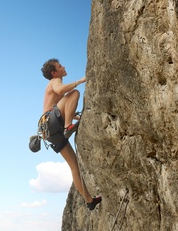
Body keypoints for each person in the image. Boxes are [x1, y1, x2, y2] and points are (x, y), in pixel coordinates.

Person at [40, 58, 101, 210]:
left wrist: (77, 117)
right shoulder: (55, 81)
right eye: (60, 66)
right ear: (54, 73)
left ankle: (89, 201)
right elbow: (62, 91)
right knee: (74, 93)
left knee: (74, 166)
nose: (64, 67)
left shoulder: (55, 84)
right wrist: (81, 80)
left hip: (49, 130)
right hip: (52, 122)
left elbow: (61, 106)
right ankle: (68, 127)